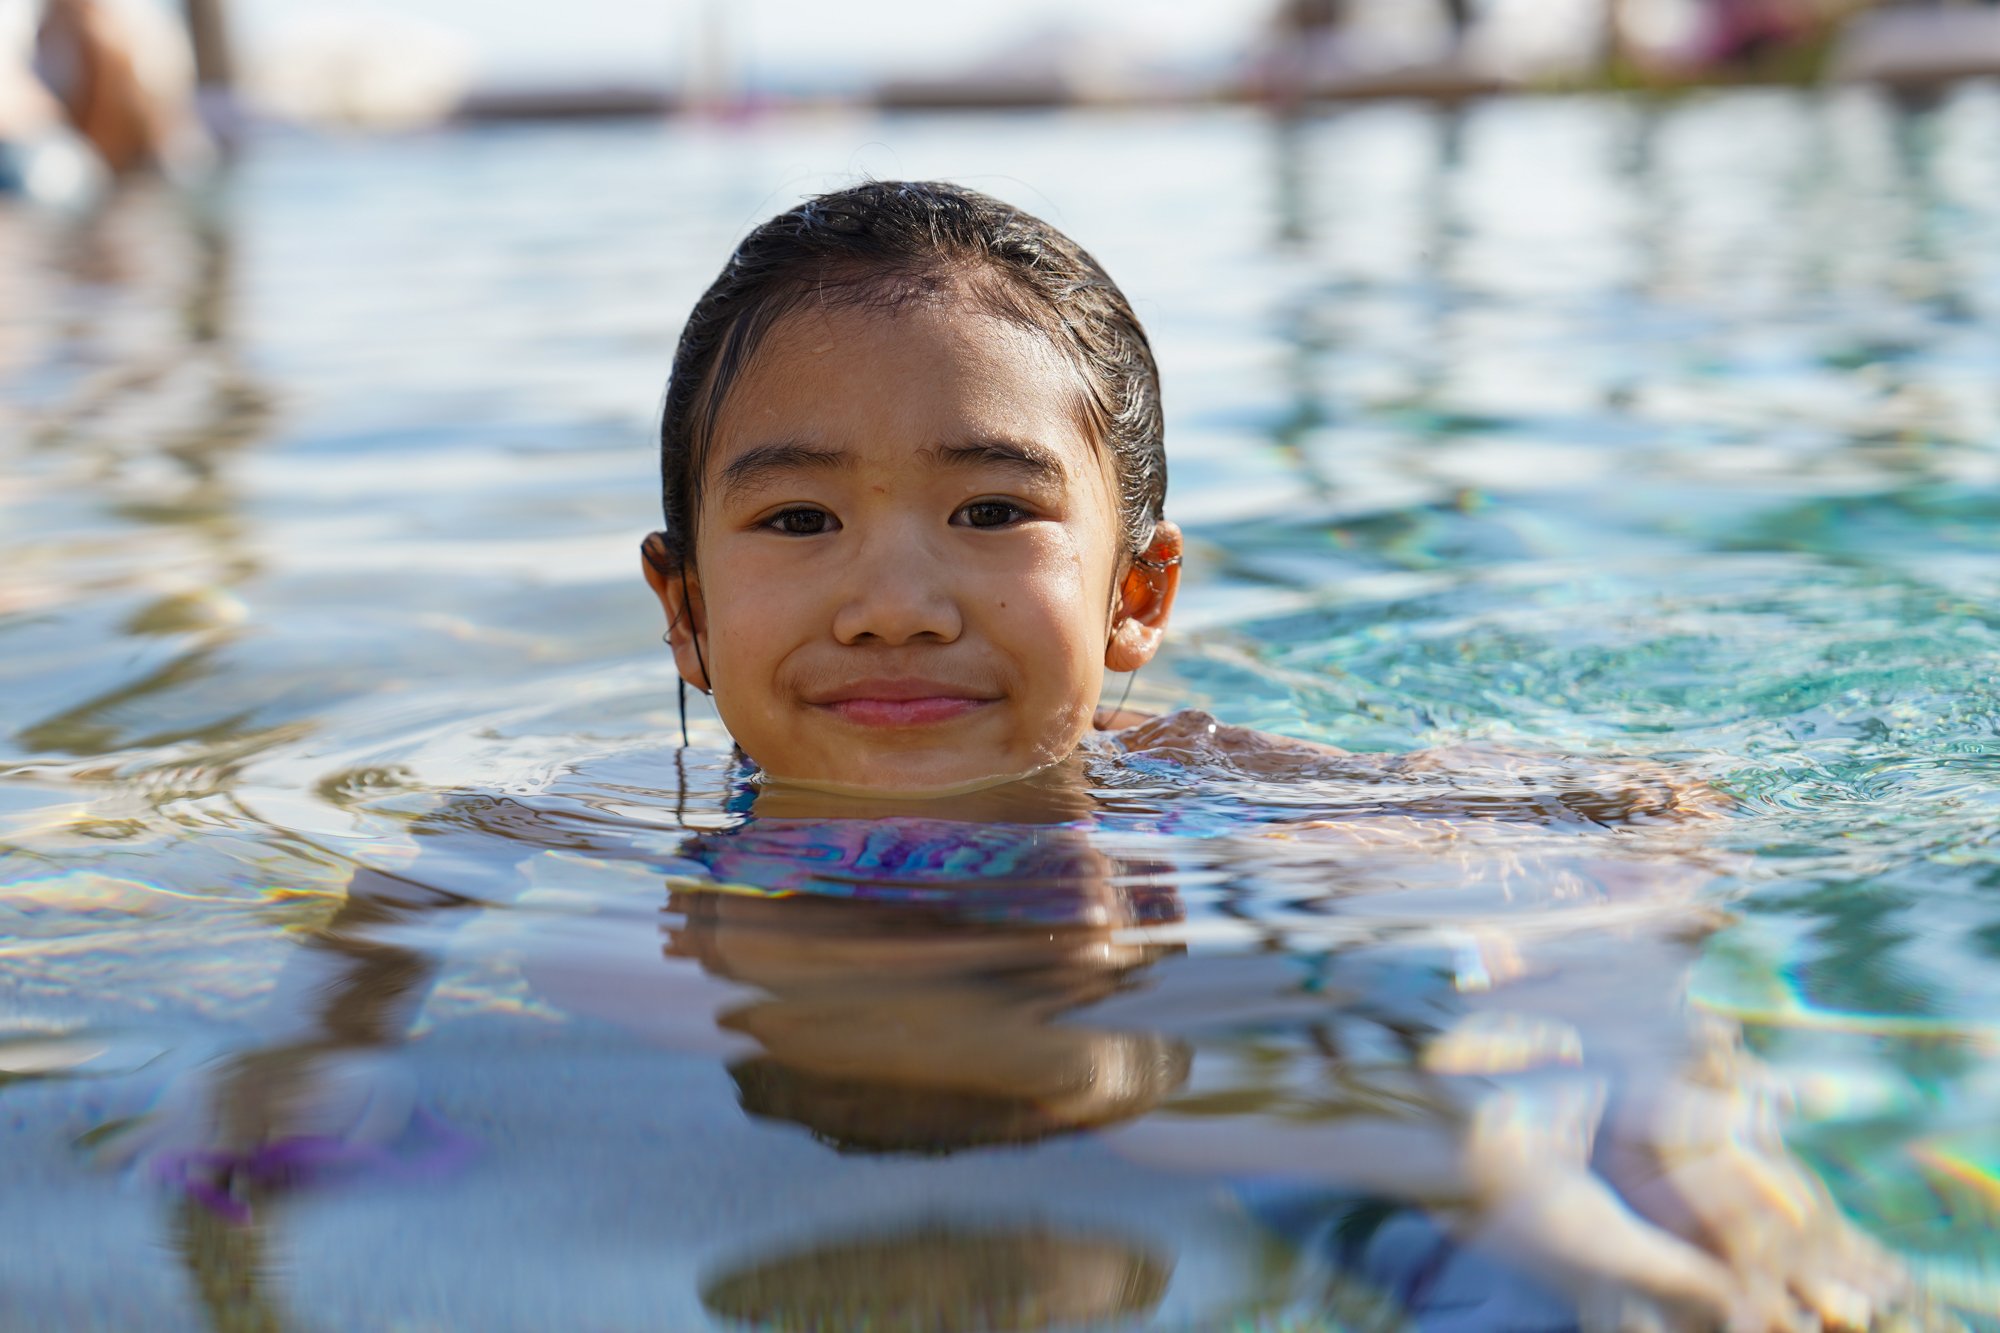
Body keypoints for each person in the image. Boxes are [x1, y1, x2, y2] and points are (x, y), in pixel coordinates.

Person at [98, 181, 1919, 1331]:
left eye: (990, 510)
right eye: (798, 521)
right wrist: (301, 1056)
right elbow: (424, 865)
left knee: (1433, 1012)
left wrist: (1681, 1115)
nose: (895, 602)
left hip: (1190, 1018)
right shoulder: (575, 821)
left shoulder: (1215, 786)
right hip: (1130, 1082)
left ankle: (1550, 1204)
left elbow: (1634, 814)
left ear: (1137, 596)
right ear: (684, 609)